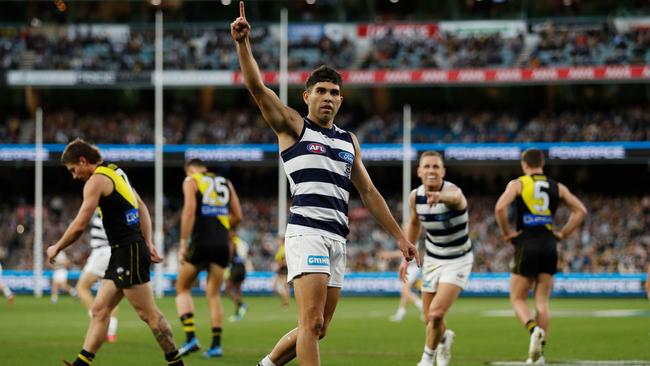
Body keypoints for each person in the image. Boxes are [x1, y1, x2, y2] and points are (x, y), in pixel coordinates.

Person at [231, 3, 419, 365]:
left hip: (338, 237)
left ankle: (266, 364)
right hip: (307, 233)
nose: (328, 98)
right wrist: (243, 44)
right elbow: (257, 88)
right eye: (321, 91)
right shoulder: (293, 126)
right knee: (310, 320)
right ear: (307, 97)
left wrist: (400, 237)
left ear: (341, 99)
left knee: (319, 328)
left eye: (334, 92)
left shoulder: (349, 141)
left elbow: (368, 192)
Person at [46, 138, 185, 366]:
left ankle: (178, 364)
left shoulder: (96, 181)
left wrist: (57, 246)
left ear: (83, 161)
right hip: (124, 251)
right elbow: (141, 207)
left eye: (73, 170)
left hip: (128, 251)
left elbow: (80, 224)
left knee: (149, 315)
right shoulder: (116, 172)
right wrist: (148, 242)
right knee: (100, 311)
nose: (73, 176)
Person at [495, 148, 587, 364]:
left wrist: (507, 234)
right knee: (542, 301)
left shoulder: (518, 183)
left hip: (526, 242)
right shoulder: (557, 186)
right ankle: (539, 356)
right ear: (542, 163)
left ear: (524, 165)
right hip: (549, 244)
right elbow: (581, 210)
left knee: (517, 298)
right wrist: (563, 233)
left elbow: (499, 208)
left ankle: (533, 329)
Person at [399, 151, 473, 366]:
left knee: (437, 312)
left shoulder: (452, 192)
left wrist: (440, 197)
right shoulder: (415, 196)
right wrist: (407, 257)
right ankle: (444, 338)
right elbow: (414, 223)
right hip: (433, 258)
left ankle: (426, 359)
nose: (431, 170)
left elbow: (456, 199)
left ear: (443, 171)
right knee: (428, 317)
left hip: (458, 259)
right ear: (419, 171)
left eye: (436, 167)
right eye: (427, 166)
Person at [175, 158, 242, 358]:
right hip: (222, 245)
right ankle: (216, 345)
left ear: (190, 169)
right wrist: (226, 231)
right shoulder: (225, 182)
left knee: (182, 288)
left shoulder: (191, 181)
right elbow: (238, 215)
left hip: (200, 241)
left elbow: (189, 211)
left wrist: (183, 242)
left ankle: (190, 338)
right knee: (213, 294)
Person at [76, 209, 119, 342]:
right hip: (114, 252)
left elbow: (80, 224)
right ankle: (111, 332)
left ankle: (98, 325)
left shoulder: (101, 205)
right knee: (111, 294)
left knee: (82, 288)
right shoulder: (116, 205)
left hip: (102, 252)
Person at [380, 250, 422, 322]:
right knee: (404, 293)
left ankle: (423, 306)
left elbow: (406, 252)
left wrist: (389, 254)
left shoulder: (410, 239)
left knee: (405, 290)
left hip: (412, 266)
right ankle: (401, 314)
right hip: (411, 266)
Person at [225, 232, 250, 322]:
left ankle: (242, 304)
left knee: (228, 290)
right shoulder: (243, 243)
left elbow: (230, 256)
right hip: (242, 267)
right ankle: (238, 315)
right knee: (238, 291)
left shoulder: (232, 242)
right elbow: (246, 256)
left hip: (235, 267)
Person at [272, 234, 290, 309]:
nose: (277, 241)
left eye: (278, 240)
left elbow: (285, 261)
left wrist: (279, 266)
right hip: (280, 270)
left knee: (285, 286)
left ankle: (286, 303)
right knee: (275, 287)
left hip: (283, 269)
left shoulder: (284, 249)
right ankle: (285, 301)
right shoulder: (280, 249)